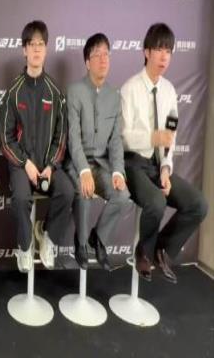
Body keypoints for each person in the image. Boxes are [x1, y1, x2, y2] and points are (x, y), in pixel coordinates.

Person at [121, 22, 208, 283]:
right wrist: (152, 137)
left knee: (198, 204)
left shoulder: (169, 91)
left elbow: (170, 137)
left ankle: (160, 249)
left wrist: (167, 168)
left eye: (168, 51)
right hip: (132, 164)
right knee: (156, 202)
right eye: (159, 50)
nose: (164, 57)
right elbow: (123, 137)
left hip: (157, 165)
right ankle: (143, 253)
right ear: (146, 52)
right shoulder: (129, 89)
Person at [0, 20, 74, 272]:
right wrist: (26, 164)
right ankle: (24, 245)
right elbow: (6, 138)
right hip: (22, 165)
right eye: (31, 44)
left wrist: (51, 165)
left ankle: (47, 236)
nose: (36, 49)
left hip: (48, 165)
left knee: (67, 191)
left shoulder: (54, 93)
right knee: (21, 198)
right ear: (24, 50)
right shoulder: (14, 92)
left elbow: (60, 137)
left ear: (46, 49)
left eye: (41, 44)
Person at [65, 33, 130, 270]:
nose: (103, 60)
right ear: (87, 62)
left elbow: (116, 141)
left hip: (102, 165)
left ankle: (98, 238)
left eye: (106, 55)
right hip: (76, 162)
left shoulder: (114, 96)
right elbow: (73, 137)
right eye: (97, 55)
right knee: (83, 191)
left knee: (123, 196)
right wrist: (83, 170)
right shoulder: (75, 91)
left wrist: (118, 172)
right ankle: (81, 242)